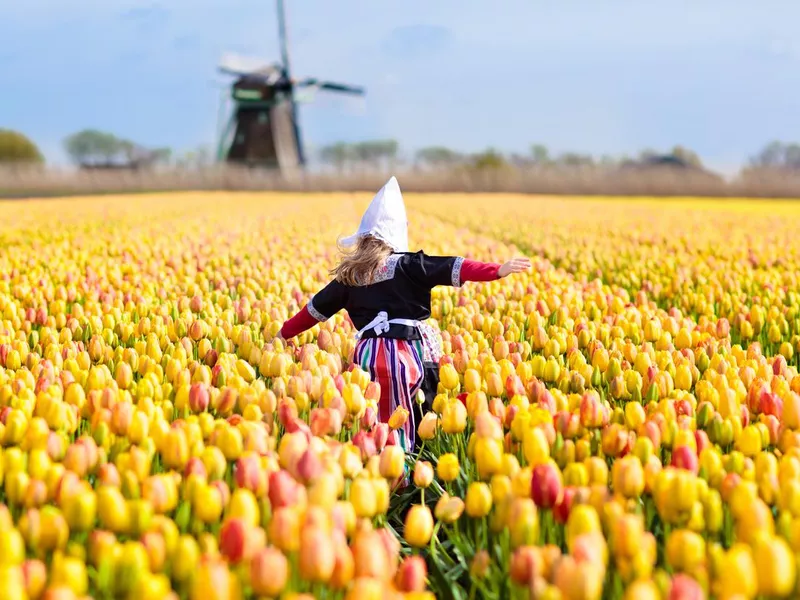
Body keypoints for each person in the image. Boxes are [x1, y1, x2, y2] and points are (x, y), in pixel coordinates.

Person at [276, 176, 531, 454]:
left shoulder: (349, 277)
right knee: (417, 409)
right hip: (408, 352)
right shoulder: (410, 265)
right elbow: (454, 266)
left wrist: (282, 334)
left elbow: (313, 311)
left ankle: (375, 461)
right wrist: (496, 270)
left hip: (367, 356)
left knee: (371, 412)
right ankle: (410, 463)